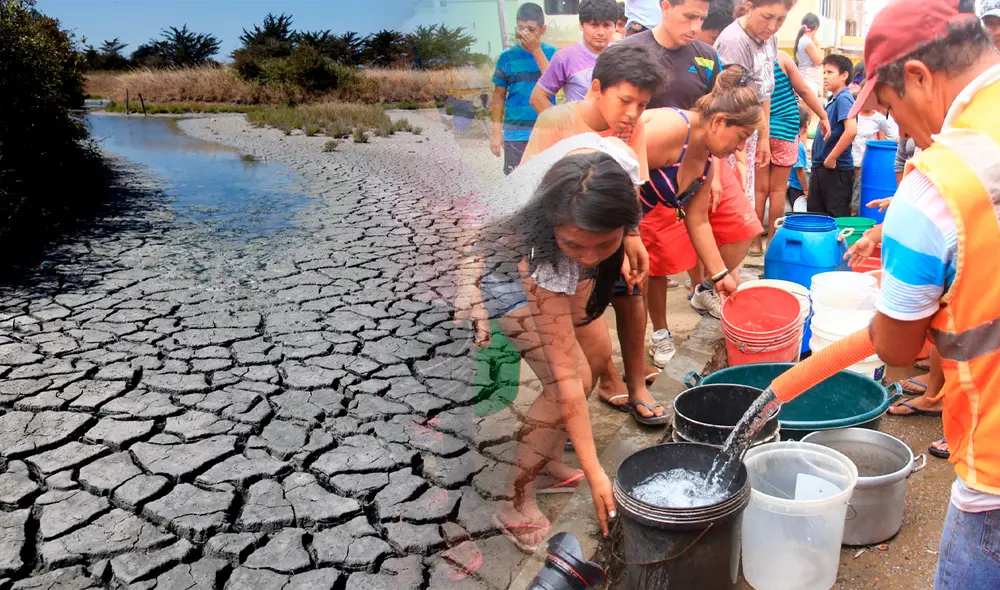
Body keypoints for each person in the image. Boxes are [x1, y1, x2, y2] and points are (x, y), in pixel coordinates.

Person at [845, 0, 1000, 584]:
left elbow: (897, 348)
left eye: (890, 109)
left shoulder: (937, 184)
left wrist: (906, 290)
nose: (904, 131)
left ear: (916, 77)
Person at [455, 135, 643, 554]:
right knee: (568, 379)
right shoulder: (542, 244)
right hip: (506, 270)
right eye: (577, 244)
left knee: (594, 357)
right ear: (555, 226)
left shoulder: (616, 171)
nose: (591, 258)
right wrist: (595, 469)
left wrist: (629, 241)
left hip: (553, 252)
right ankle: (513, 501)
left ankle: (546, 460)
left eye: (604, 244)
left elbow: (615, 227)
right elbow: (563, 371)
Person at [523, 43, 669, 425]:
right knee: (576, 342)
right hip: (563, 248)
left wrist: (632, 238)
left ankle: (636, 385)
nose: (633, 114)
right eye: (625, 101)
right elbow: (528, 191)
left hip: (612, 236)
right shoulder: (554, 121)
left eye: (642, 105)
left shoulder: (632, 127)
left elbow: (633, 187)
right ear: (596, 88)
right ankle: (568, 413)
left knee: (634, 287)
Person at [640, 66, 765, 332]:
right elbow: (610, 174)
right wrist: (627, 239)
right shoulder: (672, 129)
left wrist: (721, 277)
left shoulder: (707, 161)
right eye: (742, 137)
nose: (741, 148)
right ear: (719, 121)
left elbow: (698, 222)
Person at [713, 0, 794, 198]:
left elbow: (764, 92)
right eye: (767, 17)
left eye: (781, 19)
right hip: (727, 137)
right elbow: (721, 106)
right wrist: (737, 155)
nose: (772, 27)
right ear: (749, 7)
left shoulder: (770, 39)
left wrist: (764, 137)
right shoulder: (734, 42)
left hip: (749, 134)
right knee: (727, 200)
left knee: (745, 199)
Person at [753, 51, 832, 253]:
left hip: (759, 130)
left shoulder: (751, 58)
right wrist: (823, 116)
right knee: (778, 190)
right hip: (786, 131)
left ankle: (754, 243)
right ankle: (772, 240)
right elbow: (804, 90)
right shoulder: (782, 58)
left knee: (759, 190)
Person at [491, 3, 558, 175]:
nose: (525, 34)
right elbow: (498, 96)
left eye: (531, 29)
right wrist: (496, 133)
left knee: (544, 182)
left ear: (542, 30)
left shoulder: (552, 54)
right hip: (515, 134)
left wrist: (536, 50)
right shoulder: (506, 58)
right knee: (516, 182)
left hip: (545, 132)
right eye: (521, 28)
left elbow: (554, 83)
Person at [530, 0, 619, 113]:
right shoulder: (565, 57)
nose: (601, 32)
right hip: (580, 129)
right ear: (581, 25)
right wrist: (564, 126)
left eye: (607, 25)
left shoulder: (622, 55)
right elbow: (538, 98)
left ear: (615, 26)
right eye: (594, 25)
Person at [807, 54, 856, 217]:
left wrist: (832, 157)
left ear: (844, 75)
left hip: (835, 170)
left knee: (835, 219)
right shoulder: (831, 99)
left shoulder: (844, 99)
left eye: (830, 72)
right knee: (816, 217)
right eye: (824, 72)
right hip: (821, 167)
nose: (825, 76)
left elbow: (851, 130)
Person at [850, 98, 898, 213]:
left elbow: (893, 136)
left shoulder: (879, 119)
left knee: (857, 202)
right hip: (847, 163)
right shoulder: (851, 114)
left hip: (864, 165)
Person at [786, 104, 810, 211]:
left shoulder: (789, 140)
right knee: (800, 212)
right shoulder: (798, 145)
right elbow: (800, 170)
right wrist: (806, 189)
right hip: (798, 187)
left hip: (793, 185)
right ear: (806, 125)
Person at [794, 12, 823, 97]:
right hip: (808, 79)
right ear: (816, 27)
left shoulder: (802, 40)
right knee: (809, 109)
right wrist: (818, 46)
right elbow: (818, 62)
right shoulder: (808, 42)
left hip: (805, 78)